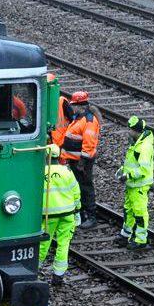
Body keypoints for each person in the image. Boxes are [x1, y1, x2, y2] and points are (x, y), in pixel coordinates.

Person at [40, 144, 81, 286]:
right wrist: (77, 210)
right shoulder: (67, 172)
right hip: (68, 214)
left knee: (43, 244)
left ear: (46, 156)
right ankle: (58, 275)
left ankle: (34, 270)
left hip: (48, 215)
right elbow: (76, 191)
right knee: (64, 244)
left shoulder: (41, 172)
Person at [60, 90, 100, 228]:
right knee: (78, 187)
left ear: (80, 105)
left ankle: (91, 216)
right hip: (75, 160)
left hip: (82, 162)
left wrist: (82, 162)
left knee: (85, 188)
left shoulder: (88, 121)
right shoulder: (79, 117)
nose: (72, 107)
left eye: (74, 105)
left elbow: (89, 144)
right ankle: (82, 214)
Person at [116, 115, 154, 248]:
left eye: (130, 129)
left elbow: (143, 169)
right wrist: (123, 170)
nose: (128, 131)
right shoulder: (137, 142)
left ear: (135, 131)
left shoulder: (144, 147)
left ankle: (140, 240)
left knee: (139, 212)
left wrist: (128, 175)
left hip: (139, 185)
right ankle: (126, 234)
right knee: (129, 210)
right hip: (132, 184)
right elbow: (133, 163)